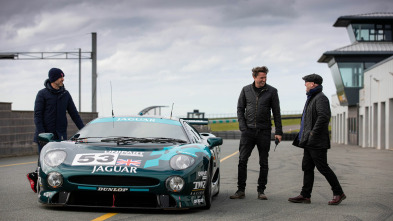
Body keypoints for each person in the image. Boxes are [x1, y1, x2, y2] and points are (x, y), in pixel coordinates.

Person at [288, 73, 346, 205]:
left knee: (323, 167)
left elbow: (323, 117)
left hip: (317, 141)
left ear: (313, 84)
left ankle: (338, 192)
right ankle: (305, 195)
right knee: (307, 167)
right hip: (309, 141)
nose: (305, 85)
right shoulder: (312, 97)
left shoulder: (321, 98)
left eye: (306, 82)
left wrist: (313, 133)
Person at [27, 68, 84, 192]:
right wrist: (42, 134)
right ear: (53, 79)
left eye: (63, 77)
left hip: (60, 136)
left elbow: (74, 114)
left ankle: (56, 184)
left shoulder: (65, 94)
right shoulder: (42, 94)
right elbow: (37, 115)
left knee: (59, 161)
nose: (63, 79)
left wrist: (85, 130)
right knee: (44, 163)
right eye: (60, 77)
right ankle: (38, 182)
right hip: (44, 136)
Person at [230, 66, 283, 200]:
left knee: (263, 162)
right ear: (254, 77)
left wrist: (278, 131)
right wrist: (243, 127)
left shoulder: (272, 91)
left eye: (265, 77)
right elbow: (240, 109)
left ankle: (261, 191)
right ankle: (240, 190)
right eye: (261, 78)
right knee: (242, 160)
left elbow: (276, 112)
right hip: (248, 132)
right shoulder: (246, 90)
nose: (264, 80)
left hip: (264, 131)